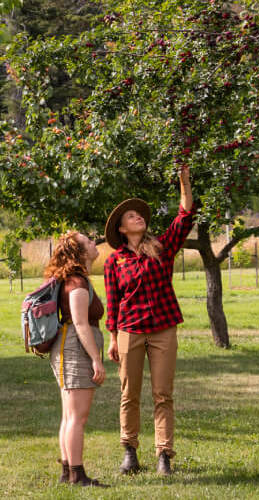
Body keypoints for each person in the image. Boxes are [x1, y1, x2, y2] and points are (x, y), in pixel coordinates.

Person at [103, 165, 196, 476]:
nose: (138, 217)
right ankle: (129, 452)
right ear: (121, 229)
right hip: (129, 331)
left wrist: (184, 181)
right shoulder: (114, 261)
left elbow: (184, 217)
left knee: (162, 393)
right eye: (131, 216)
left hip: (163, 329)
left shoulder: (161, 248)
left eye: (139, 215)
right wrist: (113, 338)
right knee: (129, 394)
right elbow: (113, 302)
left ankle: (163, 456)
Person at [36, 230, 109, 487]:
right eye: (88, 241)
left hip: (69, 347)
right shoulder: (76, 283)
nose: (94, 243)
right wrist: (95, 360)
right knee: (77, 417)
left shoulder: (76, 280)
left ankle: (68, 472)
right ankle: (77, 475)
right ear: (78, 252)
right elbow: (80, 323)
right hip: (74, 349)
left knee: (70, 416)